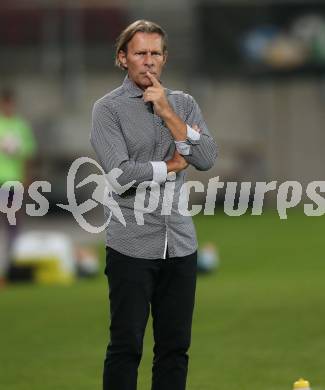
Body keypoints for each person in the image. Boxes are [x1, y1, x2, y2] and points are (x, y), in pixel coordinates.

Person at [90, 20, 218, 390]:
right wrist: (171, 165)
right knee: (126, 346)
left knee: (175, 348)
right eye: (140, 53)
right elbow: (120, 175)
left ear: (165, 58)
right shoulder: (107, 110)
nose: (148, 61)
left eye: (155, 53)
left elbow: (207, 157)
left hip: (180, 242)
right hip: (131, 243)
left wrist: (166, 113)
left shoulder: (183, 104)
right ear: (122, 58)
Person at [0, 88, 37, 286]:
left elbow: (28, 154)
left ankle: (10, 267)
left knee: (12, 225)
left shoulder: (20, 126)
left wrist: (27, 178)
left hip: (12, 182)